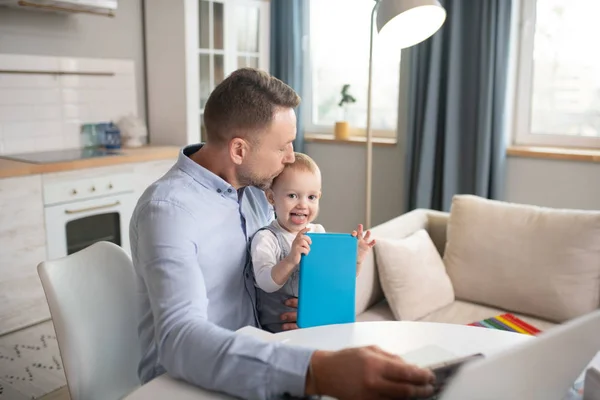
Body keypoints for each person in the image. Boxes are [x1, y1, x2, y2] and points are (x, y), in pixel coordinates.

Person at [129, 68, 436, 399]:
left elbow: (271, 269)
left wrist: (291, 308)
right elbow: (180, 340)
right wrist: (314, 370)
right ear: (238, 150)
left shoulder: (255, 192)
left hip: (260, 351)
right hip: (183, 384)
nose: (291, 157)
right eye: (283, 146)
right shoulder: (168, 211)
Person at [250, 152, 375, 333]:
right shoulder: (266, 238)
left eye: (311, 197)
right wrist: (291, 259)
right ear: (271, 198)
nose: (303, 204)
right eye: (292, 195)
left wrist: (356, 259)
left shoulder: (318, 232)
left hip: (317, 325)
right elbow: (266, 283)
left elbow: (336, 280)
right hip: (279, 332)